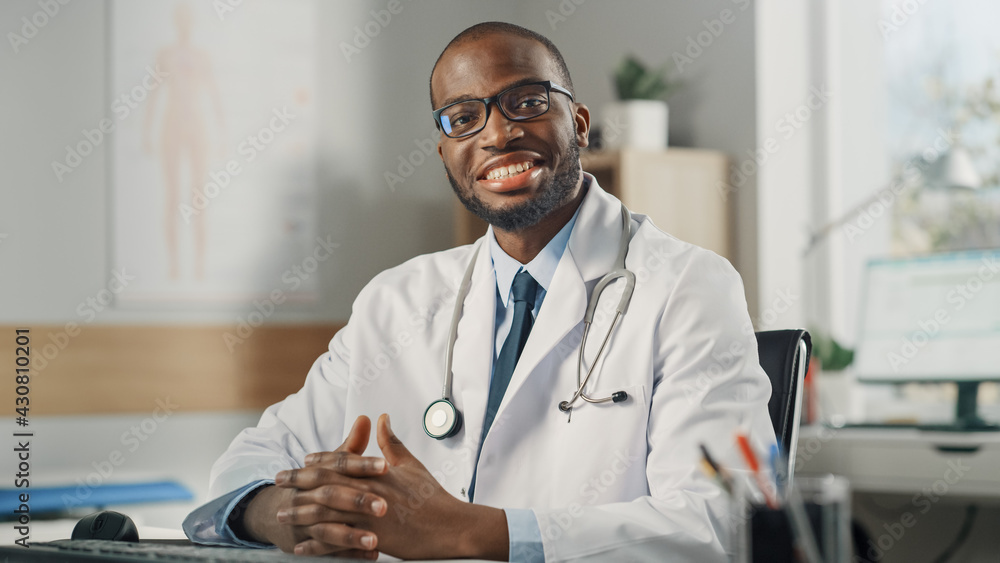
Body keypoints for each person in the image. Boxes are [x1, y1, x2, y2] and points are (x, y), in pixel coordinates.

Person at [184, 21, 775, 562]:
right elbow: (254, 459)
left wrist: (468, 531)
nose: (499, 132)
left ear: (580, 124)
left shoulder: (687, 287)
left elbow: (719, 521)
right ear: (445, 151)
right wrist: (286, 516)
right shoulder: (395, 300)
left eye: (527, 101)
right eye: (463, 117)